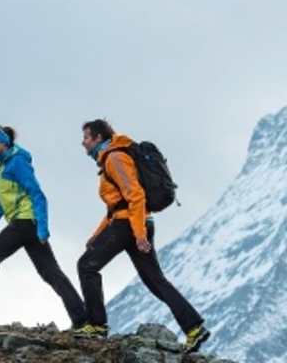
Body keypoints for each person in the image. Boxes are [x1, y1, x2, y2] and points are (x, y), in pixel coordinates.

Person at [73, 119, 209, 353]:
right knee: (155, 280)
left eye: (86, 137)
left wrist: (139, 235)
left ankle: (96, 326)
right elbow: (116, 206)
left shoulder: (114, 158)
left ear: (98, 138)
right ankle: (194, 328)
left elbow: (135, 196)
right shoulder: (112, 157)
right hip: (134, 222)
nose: (83, 142)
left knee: (86, 266)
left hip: (129, 225)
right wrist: (97, 235)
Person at [0, 125, 86, 329]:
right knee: (50, 272)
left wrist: (43, 228)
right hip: (27, 225)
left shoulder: (17, 162)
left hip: (25, 223)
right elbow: (0, 206)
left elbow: (37, 194)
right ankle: (82, 319)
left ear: (4, 142)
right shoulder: (3, 168)